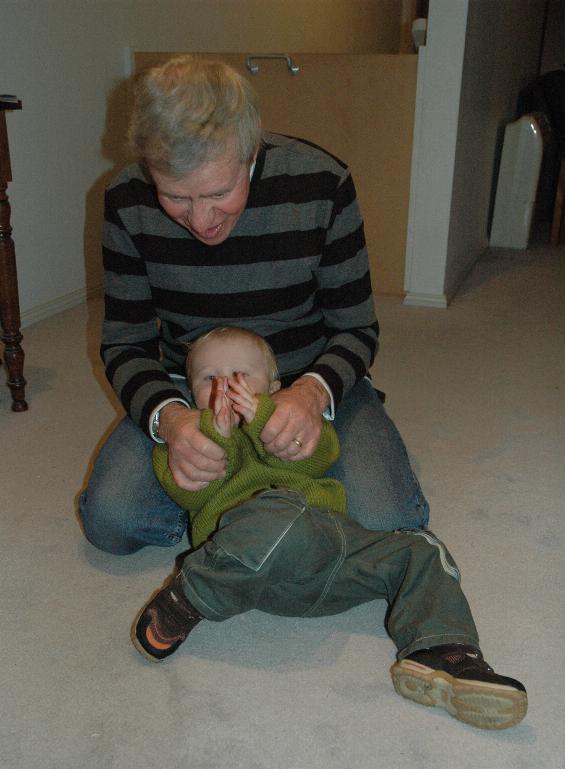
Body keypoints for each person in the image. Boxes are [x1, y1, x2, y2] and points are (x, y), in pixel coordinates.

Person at [79, 54, 429, 556]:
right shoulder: (125, 200)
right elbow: (126, 343)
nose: (201, 221)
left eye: (219, 192)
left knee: (388, 523)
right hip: (190, 386)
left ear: (250, 152)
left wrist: (313, 395)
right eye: (174, 196)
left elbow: (357, 330)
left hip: (308, 376)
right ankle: (240, 497)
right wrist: (173, 421)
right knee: (112, 523)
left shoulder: (322, 184)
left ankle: (241, 499)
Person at [132, 327, 527, 731]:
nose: (224, 387)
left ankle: (443, 651)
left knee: (419, 547)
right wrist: (217, 435)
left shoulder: (292, 422)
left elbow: (318, 459)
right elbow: (192, 495)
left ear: (274, 386)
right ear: (188, 388)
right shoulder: (185, 442)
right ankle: (188, 598)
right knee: (280, 508)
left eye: (240, 375)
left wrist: (265, 421)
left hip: (332, 553)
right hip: (255, 565)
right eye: (208, 378)